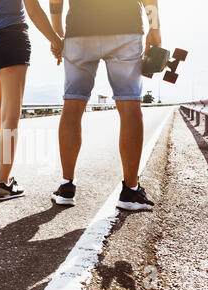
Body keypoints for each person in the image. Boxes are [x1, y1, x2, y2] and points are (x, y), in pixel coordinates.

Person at [49, 0, 161, 210]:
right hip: (125, 28)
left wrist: (59, 33)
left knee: (72, 105)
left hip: (79, 31)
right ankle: (130, 190)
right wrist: (154, 27)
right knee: (129, 106)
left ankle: (66, 187)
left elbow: (55, 1)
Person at [0, 0, 64, 201]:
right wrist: (56, 40)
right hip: (11, 38)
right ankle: (3, 183)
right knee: (10, 115)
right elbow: (33, 9)